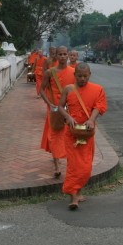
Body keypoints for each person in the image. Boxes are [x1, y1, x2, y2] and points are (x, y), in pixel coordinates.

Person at [58, 62, 107, 210]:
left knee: (85, 167)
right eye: (79, 76)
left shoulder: (97, 89)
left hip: (86, 133)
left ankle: (78, 192)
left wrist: (91, 119)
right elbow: (60, 106)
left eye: (85, 76)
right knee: (74, 166)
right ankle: (73, 198)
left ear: (90, 75)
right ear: (75, 75)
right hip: (71, 133)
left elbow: (99, 106)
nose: (82, 79)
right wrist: (68, 117)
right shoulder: (68, 89)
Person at [40, 46, 75, 178]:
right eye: (60, 54)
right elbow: (42, 90)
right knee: (54, 136)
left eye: (64, 54)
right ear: (57, 56)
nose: (62, 56)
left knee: (69, 136)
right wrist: (49, 103)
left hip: (69, 110)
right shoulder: (50, 72)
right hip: (54, 109)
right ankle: (57, 166)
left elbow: (77, 90)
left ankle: (70, 162)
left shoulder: (73, 72)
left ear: (68, 55)